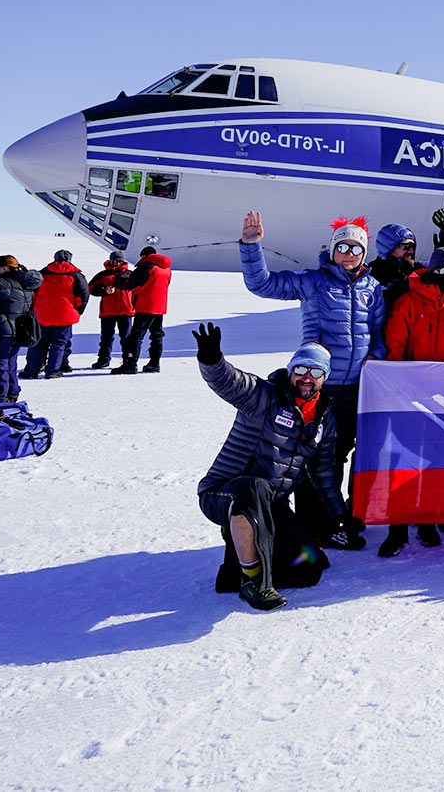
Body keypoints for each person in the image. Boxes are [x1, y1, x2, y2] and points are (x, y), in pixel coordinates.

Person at [239, 211, 386, 547]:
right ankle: (315, 525)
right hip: (316, 386)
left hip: (358, 389)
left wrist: (375, 357)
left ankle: (347, 517)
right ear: (332, 249)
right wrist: (251, 246)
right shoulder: (312, 282)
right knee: (316, 457)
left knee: (352, 453)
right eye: (343, 247)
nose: (349, 254)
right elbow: (262, 284)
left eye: (356, 249)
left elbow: (379, 333)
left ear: (364, 254)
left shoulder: (372, 289)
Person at [192, 323, 335, 612]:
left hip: (270, 504)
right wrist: (211, 360)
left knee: (309, 568)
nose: (307, 378)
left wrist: (341, 517)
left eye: (316, 372)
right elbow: (229, 381)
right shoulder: (264, 396)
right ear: (290, 370)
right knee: (252, 487)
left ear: (324, 378)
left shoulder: (323, 420)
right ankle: (255, 581)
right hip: (224, 494)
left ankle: (239, 566)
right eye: (301, 370)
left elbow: (324, 474)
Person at [376, 246, 444, 557]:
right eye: (442, 270)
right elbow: (396, 344)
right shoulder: (409, 302)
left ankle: (427, 521)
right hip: (411, 394)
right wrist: (396, 386)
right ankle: (397, 529)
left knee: (437, 461)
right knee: (404, 461)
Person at [0, 255, 43, 406]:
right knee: (10, 364)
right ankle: (12, 393)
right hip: (16, 330)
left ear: (5, 268)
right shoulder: (24, 282)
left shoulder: (4, 283)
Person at [25, 250, 89, 380]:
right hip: (64, 315)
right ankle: (53, 371)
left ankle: (32, 370)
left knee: (38, 343)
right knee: (59, 344)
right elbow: (83, 296)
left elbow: (33, 293)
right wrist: (77, 311)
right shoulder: (76, 275)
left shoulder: (43, 273)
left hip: (42, 314)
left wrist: (33, 309)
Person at [114, 246, 174, 374]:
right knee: (157, 335)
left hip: (145, 306)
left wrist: (120, 280)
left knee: (135, 336)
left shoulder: (147, 267)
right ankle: (154, 363)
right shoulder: (166, 269)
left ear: (144, 256)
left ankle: (130, 364)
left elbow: (130, 284)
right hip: (160, 307)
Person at [87, 252, 135, 369]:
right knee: (106, 338)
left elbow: (139, 290)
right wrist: (104, 290)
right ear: (110, 261)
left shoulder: (130, 275)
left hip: (126, 311)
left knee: (126, 338)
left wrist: (134, 304)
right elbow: (90, 288)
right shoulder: (103, 275)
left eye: (119, 261)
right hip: (108, 312)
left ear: (123, 261)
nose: (117, 263)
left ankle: (127, 360)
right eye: (115, 261)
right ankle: (103, 360)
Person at [368, 222, 420, 308]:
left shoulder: (418, 271)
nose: (411, 250)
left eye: (413, 246)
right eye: (405, 246)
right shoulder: (372, 273)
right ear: (388, 247)